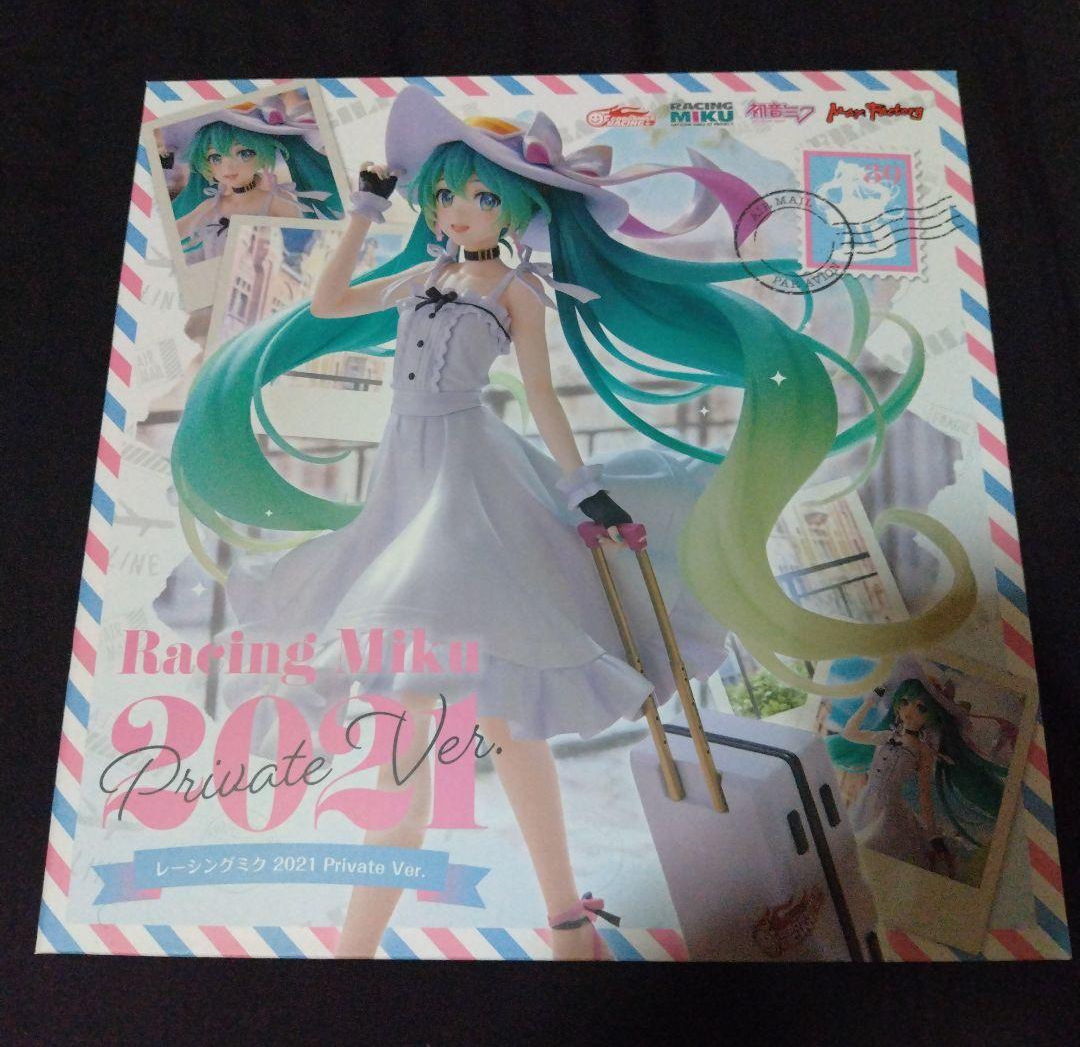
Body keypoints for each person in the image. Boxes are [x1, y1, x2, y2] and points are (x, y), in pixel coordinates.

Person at [170, 86, 977, 958]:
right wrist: (364, 209)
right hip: (407, 485)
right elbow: (329, 305)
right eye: (445, 194)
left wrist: (585, 486)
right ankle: (508, 932)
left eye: (483, 195)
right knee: (478, 721)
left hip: (468, 493)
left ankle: (458, 936)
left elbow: (544, 397)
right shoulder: (422, 277)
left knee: (473, 706)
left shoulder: (517, 290)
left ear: (518, 208)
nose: (460, 209)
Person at [827, 673, 1007, 876]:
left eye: (921, 708)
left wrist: (932, 833)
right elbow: (849, 733)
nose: (909, 711)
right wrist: (873, 698)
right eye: (905, 702)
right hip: (865, 804)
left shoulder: (923, 750)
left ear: (931, 716)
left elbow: (924, 793)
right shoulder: (886, 736)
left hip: (890, 812)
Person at [170, 97, 343, 262]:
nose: (228, 168)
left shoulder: (276, 201)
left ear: (262, 155)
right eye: (215, 158)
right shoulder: (211, 206)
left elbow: (307, 239)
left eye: (244, 154)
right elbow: (170, 236)